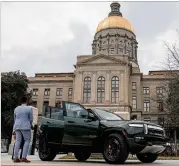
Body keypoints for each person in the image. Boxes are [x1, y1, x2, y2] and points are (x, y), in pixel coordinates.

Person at [13, 96, 33, 163]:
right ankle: (24, 157)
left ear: (20, 101)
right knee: (27, 140)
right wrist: (30, 125)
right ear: (26, 101)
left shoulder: (16, 109)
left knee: (18, 141)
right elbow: (31, 119)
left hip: (17, 126)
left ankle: (16, 158)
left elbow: (15, 119)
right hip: (25, 126)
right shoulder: (29, 108)